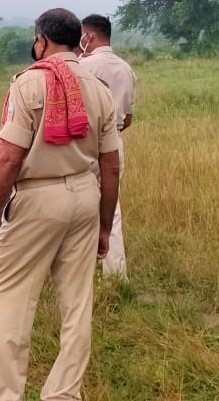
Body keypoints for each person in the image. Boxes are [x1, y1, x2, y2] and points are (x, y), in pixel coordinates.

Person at [0, 9, 120, 401]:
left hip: (37, 197)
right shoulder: (97, 87)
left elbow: (9, 159)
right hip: (86, 195)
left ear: (42, 40)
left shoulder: (30, 83)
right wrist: (105, 226)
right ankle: (64, 394)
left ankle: (1, 395)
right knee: (77, 303)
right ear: (77, 40)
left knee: (8, 297)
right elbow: (112, 165)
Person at [77, 14, 137, 279]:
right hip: (115, 142)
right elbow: (129, 118)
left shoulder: (83, 66)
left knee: (79, 205)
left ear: (88, 36)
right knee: (112, 210)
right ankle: (115, 273)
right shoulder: (126, 68)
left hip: (84, 144)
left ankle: (79, 271)